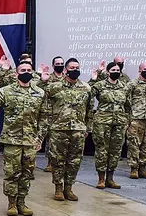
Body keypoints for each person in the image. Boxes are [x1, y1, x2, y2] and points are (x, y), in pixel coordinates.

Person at [0, 61, 45, 216]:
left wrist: (40, 138)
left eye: (29, 70)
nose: (26, 72)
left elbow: (44, 117)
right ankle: (11, 203)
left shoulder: (40, 92)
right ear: (17, 74)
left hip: (30, 140)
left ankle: (22, 202)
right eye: (22, 70)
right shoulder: (6, 91)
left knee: (27, 173)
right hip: (12, 139)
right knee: (12, 172)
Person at [43, 58, 92, 202]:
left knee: (74, 161)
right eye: (72, 67)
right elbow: (44, 103)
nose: (75, 70)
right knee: (58, 160)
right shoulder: (54, 87)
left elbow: (89, 110)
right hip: (59, 129)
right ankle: (58, 187)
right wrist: (49, 124)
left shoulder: (86, 88)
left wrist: (87, 127)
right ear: (65, 70)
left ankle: (69, 187)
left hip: (78, 129)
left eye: (77, 67)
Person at [88, 61, 130, 189]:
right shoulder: (100, 85)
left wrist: (127, 120)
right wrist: (93, 79)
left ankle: (110, 178)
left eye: (118, 71)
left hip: (119, 123)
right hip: (102, 122)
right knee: (102, 150)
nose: (116, 73)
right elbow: (87, 93)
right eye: (113, 71)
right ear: (107, 72)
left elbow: (128, 105)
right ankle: (101, 178)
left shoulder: (124, 86)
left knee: (115, 151)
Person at [42, 56, 67, 173]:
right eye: (57, 63)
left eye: (62, 63)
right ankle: (50, 162)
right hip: (50, 111)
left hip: (64, 112)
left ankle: (60, 162)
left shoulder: (67, 78)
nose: (60, 65)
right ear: (53, 66)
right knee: (50, 139)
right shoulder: (49, 77)